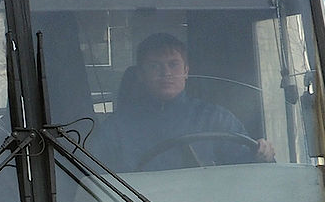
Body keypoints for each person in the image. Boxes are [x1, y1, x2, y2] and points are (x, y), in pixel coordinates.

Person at [99, 32, 275, 171]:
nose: (166, 73)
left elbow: (248, 174)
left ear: (186, 71)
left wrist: (263, 157)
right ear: (141, 75)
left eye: (173, 64)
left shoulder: (217, 120)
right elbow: (98, 186)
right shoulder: (115, 129)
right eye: (155, 66)